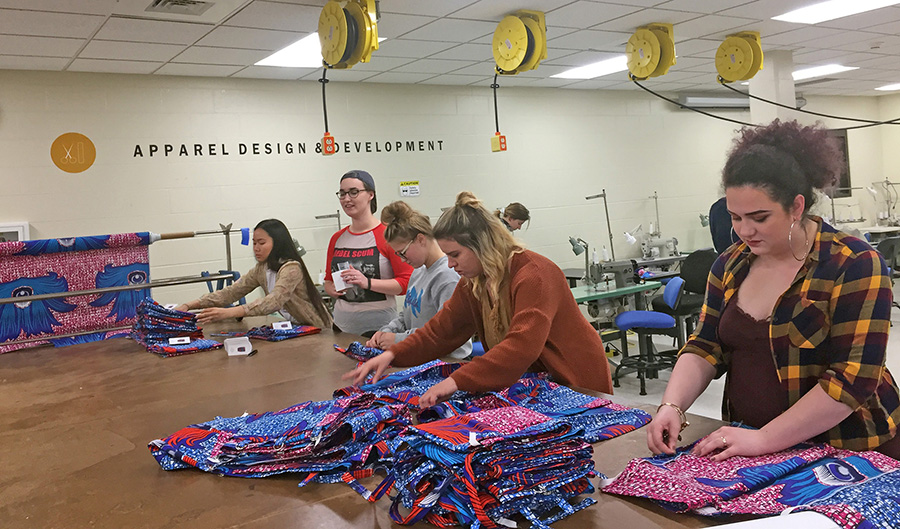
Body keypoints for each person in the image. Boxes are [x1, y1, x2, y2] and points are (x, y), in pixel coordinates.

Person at [647, 119, 900, 461]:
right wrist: (672, 406)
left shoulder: (852, 264)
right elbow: (706, 345)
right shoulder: (730, 265)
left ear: (797, 207)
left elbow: (852, 378)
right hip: (749, 445)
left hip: (844, 450)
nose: (744, 230)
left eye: (759, 217)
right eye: (735, 217)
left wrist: (766, 439)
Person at [344, 191, 613, 408]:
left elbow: (521, 346)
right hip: (536, 379)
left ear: (482, 244)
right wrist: (392, 354)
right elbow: (442, 331)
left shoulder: (535, 275)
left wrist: (456, 381)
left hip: (575, 381)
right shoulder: (474, 282)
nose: (449, 264)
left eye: (456, 255)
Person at [175, 219, 331, 328]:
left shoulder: (291, 268)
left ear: (277, 243)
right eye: (254, 243)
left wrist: (227, 313)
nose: (256, 248)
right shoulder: (261, 269)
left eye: (261, 243)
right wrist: (189, 305)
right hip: (296, 328)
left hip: (317, 329)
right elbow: (231, 292)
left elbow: (273, 301)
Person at [366, 201, 471, 359]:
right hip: (421, 355)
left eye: (403, 253)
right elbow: (407, 316)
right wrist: (387, 332)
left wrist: (398, 340)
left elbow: (446, 334)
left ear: (421, 239)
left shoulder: (448, 277)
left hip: (447, 362)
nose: (402, 260)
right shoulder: (418, 271)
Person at [324, 170, 413, 336]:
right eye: (342, 194)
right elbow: (328, 281)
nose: (347, 199)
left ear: (370, 194)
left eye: (354, 192)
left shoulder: (387, 236)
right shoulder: (337, 239)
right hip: (341, 326)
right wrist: (332, 289)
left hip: (379, 328)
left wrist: (368, 283)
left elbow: (406, 283)